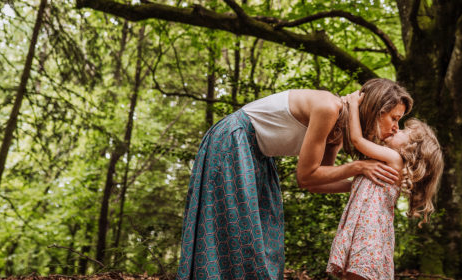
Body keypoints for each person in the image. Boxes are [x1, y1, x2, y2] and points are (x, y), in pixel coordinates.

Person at [177, 79, 413, 280]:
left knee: (262, 238)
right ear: (375, 109)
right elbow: (306, 176)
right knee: (239, 231)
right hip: (234, 141)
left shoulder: (338, 130)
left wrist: (364, 185)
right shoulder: (329, 107)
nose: (395, 127)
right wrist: (359, 167)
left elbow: (316, 183)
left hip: (258, 154)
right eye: (394, 118)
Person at [327, 91, 443, 280]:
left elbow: (357, 141)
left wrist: (354, 105)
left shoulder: (394, 159)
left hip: (369, 234)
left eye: (405, 132)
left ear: (411, 149)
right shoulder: (385, 163)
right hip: (371, 234)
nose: (397, 129)